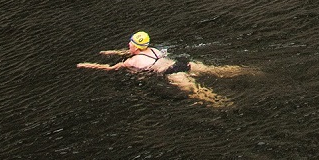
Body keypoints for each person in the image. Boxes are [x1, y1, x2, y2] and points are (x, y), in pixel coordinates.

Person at [77, 30, 254, 107]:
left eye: (130, 43)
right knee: (218, 69)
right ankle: (248, 71)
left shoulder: (131, 62)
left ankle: (223, 103)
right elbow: (127, 51)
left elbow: (110, 68)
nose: (128, 44)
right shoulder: (152, 49)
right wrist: (110, 51)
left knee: (197, 91)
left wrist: (89, 65)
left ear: (135, 47)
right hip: (182, 63)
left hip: (172, 73)